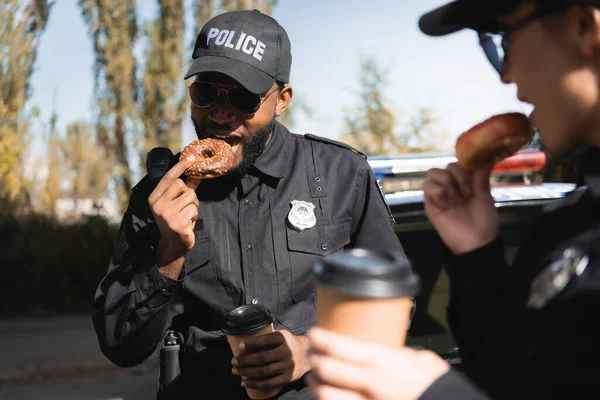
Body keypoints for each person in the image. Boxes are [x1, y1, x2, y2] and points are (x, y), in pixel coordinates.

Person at [92, 9, 404, 399]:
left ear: (282, 99)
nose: (221, 115)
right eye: (206, 93)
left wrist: (312, 350)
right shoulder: (158, 196)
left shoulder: (342, 174)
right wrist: (169, 254)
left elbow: (393, 304)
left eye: (243, 96)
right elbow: (121, 345)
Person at [307, 0, 600, 399]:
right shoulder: (565, 224)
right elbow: (507, 375)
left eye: (505, 37)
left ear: (583, 25)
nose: (507, 75)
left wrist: (435, 393)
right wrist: (476, 252)